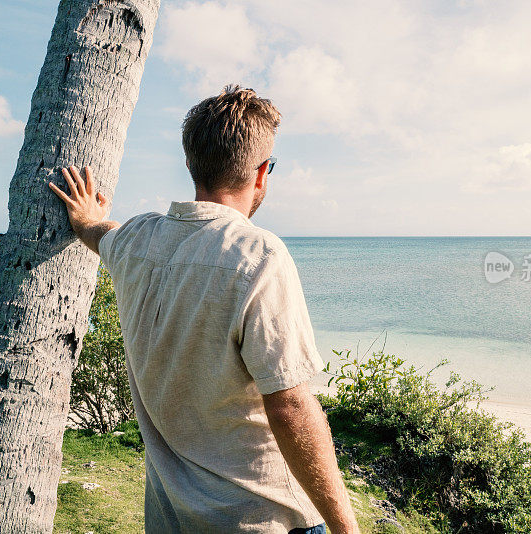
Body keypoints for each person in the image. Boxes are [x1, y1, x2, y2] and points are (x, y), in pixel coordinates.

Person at [49, 85, 359, 534]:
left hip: (172, 517)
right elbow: (289, 404)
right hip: (261, 518)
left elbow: (102, 235)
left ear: (192, 163)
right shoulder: (259, 256)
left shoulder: (137, 241)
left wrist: (86, 219)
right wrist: (346, 527)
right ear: (260, 173)